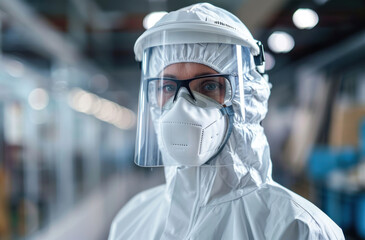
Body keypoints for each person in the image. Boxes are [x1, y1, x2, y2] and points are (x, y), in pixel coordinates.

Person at [109, 3, 344, 240]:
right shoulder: (131, 221)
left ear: (248, 100)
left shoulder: (299, 230)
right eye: (168, 87)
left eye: (208, 86)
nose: (182, 105)